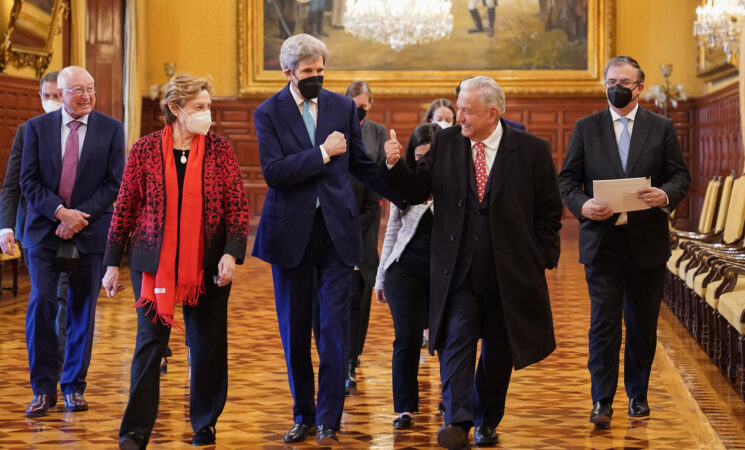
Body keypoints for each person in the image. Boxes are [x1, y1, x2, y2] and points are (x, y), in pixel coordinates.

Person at [382, 75, 562, 449]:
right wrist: (395, 166)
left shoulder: (531, 150)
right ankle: (458, 421)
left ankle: (486, 420)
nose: (458, 116)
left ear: (492, 112)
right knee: (455, 344)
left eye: (466, 110)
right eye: (458, 107)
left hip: (509, 273)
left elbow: (548, 211)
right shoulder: (446, 143)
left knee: (498, 353)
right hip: (458, 272)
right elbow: (417, 190)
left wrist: (543, 256)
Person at [252, 34, 400, 445]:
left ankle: (330, 421)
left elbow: (359, 165)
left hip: (337, 235)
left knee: (335, 331)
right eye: (308, 72)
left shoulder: (340, 106)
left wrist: (397, 183)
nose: (316, 77)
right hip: (290, 237)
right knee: (295, 332)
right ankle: (304, 414)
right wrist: (321, 153)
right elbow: (275, 173)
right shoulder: (268, 112)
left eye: (320, 70)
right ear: (288, 74)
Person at [101, 74, 249, 448]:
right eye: (199, 107)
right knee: (150, 344)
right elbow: (125, 208)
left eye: (208, 106)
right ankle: (135, 430)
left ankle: (205, 423)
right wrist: (110, 263)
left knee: (207, 344)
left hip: (208, 261)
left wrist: (231, 253)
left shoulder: (220, 149)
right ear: (175, 109)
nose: (207, 114)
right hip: (152, 260)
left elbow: (237, 207)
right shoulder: (144, 149)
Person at [558, 56, 690, 428]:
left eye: (625, 82)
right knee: (603, 324)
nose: (617, 87)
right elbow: (567, 180)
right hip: (602, 242)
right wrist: (584, 206)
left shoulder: (661, 127)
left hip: (647, 242)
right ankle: (601, 400)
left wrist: (664, 195)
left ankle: (638, 395)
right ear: (604, 86)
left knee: (642, 324)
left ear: (639, 87)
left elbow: (680, 176)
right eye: (611, 81)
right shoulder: (586, 128)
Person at [20, 66, 125, 418]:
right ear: (60, 94)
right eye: (78, 90)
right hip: (44, 231)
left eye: (91, 88)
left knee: (82, 311)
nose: (87, 96)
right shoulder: (36, 129)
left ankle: (74, 387)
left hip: (91, 230)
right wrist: (60, 213)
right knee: (43, 303)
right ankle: (43, 389)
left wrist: (78, 217)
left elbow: (113, 185)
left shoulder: (111, 129)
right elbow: (29, 181)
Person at [0, 71, 71, 376]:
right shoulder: (27, 131)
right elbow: (11, 184)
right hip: (37, 231)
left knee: (66, 299)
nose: (52, 101)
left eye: (57, 95)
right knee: (44, 298)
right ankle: (45, 370)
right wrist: (6, 226)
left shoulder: (87, 132)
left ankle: (62, 366)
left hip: (76, 230)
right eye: (46, 96)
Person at [375, 123, 439, 430]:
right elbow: (392, 230)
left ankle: (452, 399)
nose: (424, 163)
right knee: (407, 336)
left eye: (430, 156)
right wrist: (380, 277)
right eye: (419, 157)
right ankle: (405, 409)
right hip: (404, 269)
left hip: (444, 273)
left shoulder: (453, 183)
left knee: (449, 338)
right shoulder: (407, 184)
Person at [343, 80, 387, 394]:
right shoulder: (333, 132)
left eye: (364, 104)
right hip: (335, 222)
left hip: (366, 221)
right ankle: (343, 357)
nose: (360, 110)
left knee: (360, 290)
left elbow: (381, 174)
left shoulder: (378, 132)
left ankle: (352, 355)